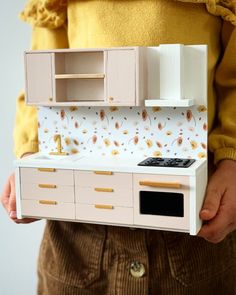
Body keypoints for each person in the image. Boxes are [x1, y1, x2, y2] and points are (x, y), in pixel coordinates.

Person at [1, 0, 236, 294]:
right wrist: (33, 158)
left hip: (197, 227)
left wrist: (231, 160)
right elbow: (39, 81)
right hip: (77, 242)